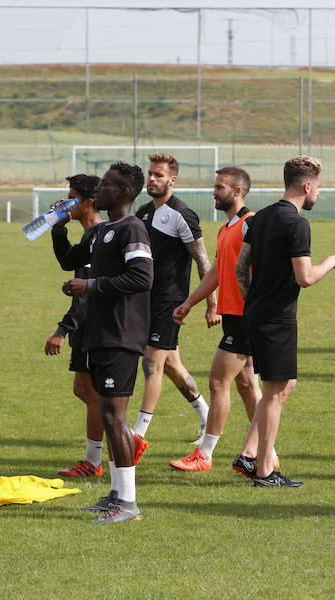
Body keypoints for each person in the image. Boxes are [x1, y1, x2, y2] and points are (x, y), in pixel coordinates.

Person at [235, 155, 335, 487]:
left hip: (256, 313)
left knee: (282, 387)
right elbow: (305, 277)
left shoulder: (260, 216)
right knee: (276, 391)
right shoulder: (297, 224)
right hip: (276, 319)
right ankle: (264, 470)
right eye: (318, 188)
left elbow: (241, 269)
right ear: (307, 185)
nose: (318, 195)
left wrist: (256, 296)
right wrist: (332, 260)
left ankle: (249, 454)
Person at [57, 161, 154, 523]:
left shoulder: (132, 229)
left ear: (124, 193)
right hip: (99, 335)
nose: (100, 189)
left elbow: (142, 278)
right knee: (108, 415)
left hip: (121, 335)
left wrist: (91, 286)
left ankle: (128, 504)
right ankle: (115, 495)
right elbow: (70, 260)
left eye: (109, 185)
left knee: (115, 416)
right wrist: (57, 227)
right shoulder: (100, 232)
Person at [168, 167, 277, 473]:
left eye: (219, 187)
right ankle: (270, 453)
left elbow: (266, 271)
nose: (214, 192)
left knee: (218, 381)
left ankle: (204, 454)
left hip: (246, 317)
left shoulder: (250, 225)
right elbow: (216, 273)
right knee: (246, 384)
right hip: (232, 315)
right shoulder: (226, 228)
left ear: (237, 191)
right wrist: (190, 302)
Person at [132, 153, 213, 445]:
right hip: (146, 300)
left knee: (151, 364)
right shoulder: (142, 212)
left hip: (170, 301)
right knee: (171, 366)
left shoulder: (183, 214)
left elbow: (203, 260)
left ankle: (137, 435)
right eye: (150, 174)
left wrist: (210, 303)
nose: (152, 179)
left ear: (172, 180)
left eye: (158, 175)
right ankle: (208, 417)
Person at [47, 174, 108, 478]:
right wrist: (59, 228)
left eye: (71, 197)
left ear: (87, 202)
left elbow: (84, 297)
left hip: (92, 327)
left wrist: (62, 331)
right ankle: (117, 439)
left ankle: (94, 462)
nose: (66, 202)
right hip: (87, 327)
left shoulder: (98, 236)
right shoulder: (88, 235)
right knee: (83, 391)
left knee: (93, 394)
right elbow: (67, 262)